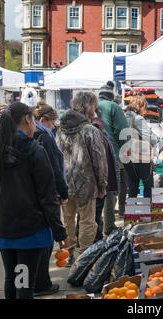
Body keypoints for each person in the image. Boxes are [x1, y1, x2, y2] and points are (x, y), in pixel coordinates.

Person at [0, 102, 69, 299]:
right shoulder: (34, 150)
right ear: (28, 119)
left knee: (12, 278)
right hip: (29, 229)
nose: (35, 126)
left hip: (2, 225)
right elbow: (47, 197)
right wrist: (59, 231)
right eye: (34, 121)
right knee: (24, 284)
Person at [57, 92, 108, 265]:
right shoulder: (90, 130)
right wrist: (103, 186)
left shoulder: (60, 128)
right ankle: (84, 257)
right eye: (94, 105)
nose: (96, 109)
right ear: (88, 106)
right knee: (87, 221)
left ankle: (69, 254)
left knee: (68, 220)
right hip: (86, 183)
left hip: (65, 181)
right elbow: (99, 161)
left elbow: (56, 156)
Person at [32, 101, 69, 296]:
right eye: (53, 122)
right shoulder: (44, 138)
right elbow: (55, 167)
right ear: (42, 120)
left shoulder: (34, 135)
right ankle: (41, 284)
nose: (54, 126)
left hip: (34, 195)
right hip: (48, 193)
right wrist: (63, 192)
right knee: (45, 241)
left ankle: (36, 282)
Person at [98, 81, 129, 235]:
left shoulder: (91, 106)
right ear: (112, 98)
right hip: (110, 152)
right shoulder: (114, 107)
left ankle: (96, 225)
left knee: (95, 190)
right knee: (110, 189)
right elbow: (123, 132)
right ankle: (108, 226)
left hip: (90, 153)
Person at [88, 101, 119, 242]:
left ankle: (96, 234)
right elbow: (98, 159)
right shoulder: (96, 127)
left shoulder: (95, 128)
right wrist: (102, 183)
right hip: (95, 179)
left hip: (92, 179)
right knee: (92, 214)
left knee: (90, 214)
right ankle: (94, 238)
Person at [124, 95, 160, 198]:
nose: (145, 110)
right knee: (148, 186)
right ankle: (147, 211)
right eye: (144, 108)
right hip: (140, 158)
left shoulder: (124, 116)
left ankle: (132, 212)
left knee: (132, 187)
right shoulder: (138, 118)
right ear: (141, 106)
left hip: (127, 157)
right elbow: (149, 136)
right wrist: (158, 141)